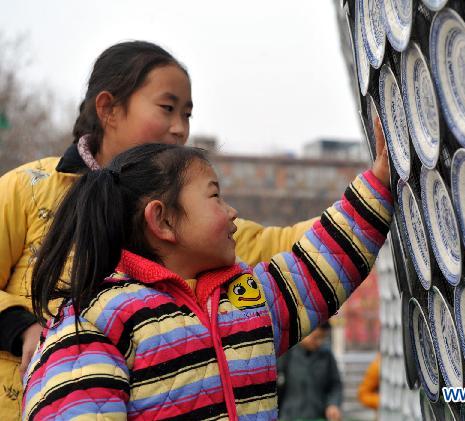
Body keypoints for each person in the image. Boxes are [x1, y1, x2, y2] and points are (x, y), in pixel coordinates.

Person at [0, 41, 315, 420]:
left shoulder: (198, 225)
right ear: (109, 109)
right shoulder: (29, 188)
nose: (180, 129)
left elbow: (288, 247)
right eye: (167, 108)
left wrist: (376, 195)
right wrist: (23, 330)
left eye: (187, 115)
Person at [22, 137, 391, 419]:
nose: (232, 212)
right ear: (162, 220)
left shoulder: (244, 297)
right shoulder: (92, 324)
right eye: (215, 197)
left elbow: (317, 266)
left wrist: (379, 184)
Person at [277, 322, 343, 421]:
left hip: (318, 415)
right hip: (289, 416)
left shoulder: (326, 356)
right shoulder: (286, 354)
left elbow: (335, 385)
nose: (319, 342)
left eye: (322, 338)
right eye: (316, 337)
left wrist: (333, 404)